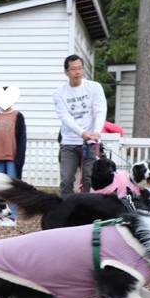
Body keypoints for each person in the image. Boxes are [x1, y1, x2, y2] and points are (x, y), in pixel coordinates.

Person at [53, 54, 106, 196]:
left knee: (89, 179)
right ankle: (66, 211)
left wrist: (96, 132)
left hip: (91, 142)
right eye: (73, 69)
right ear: (66, 72)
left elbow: (100, 110)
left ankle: (87, 211)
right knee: (66, 180)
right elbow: (65, 117)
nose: (77, 72)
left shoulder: (94, 87)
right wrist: (81, 132)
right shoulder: (59, 93)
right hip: (69, 143)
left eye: (80, 68)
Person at [0, 96, 27, 227]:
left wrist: (20, 158)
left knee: (11, 187)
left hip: (12, 158)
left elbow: (22, 138)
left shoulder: (18, 116)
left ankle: (12, 217)